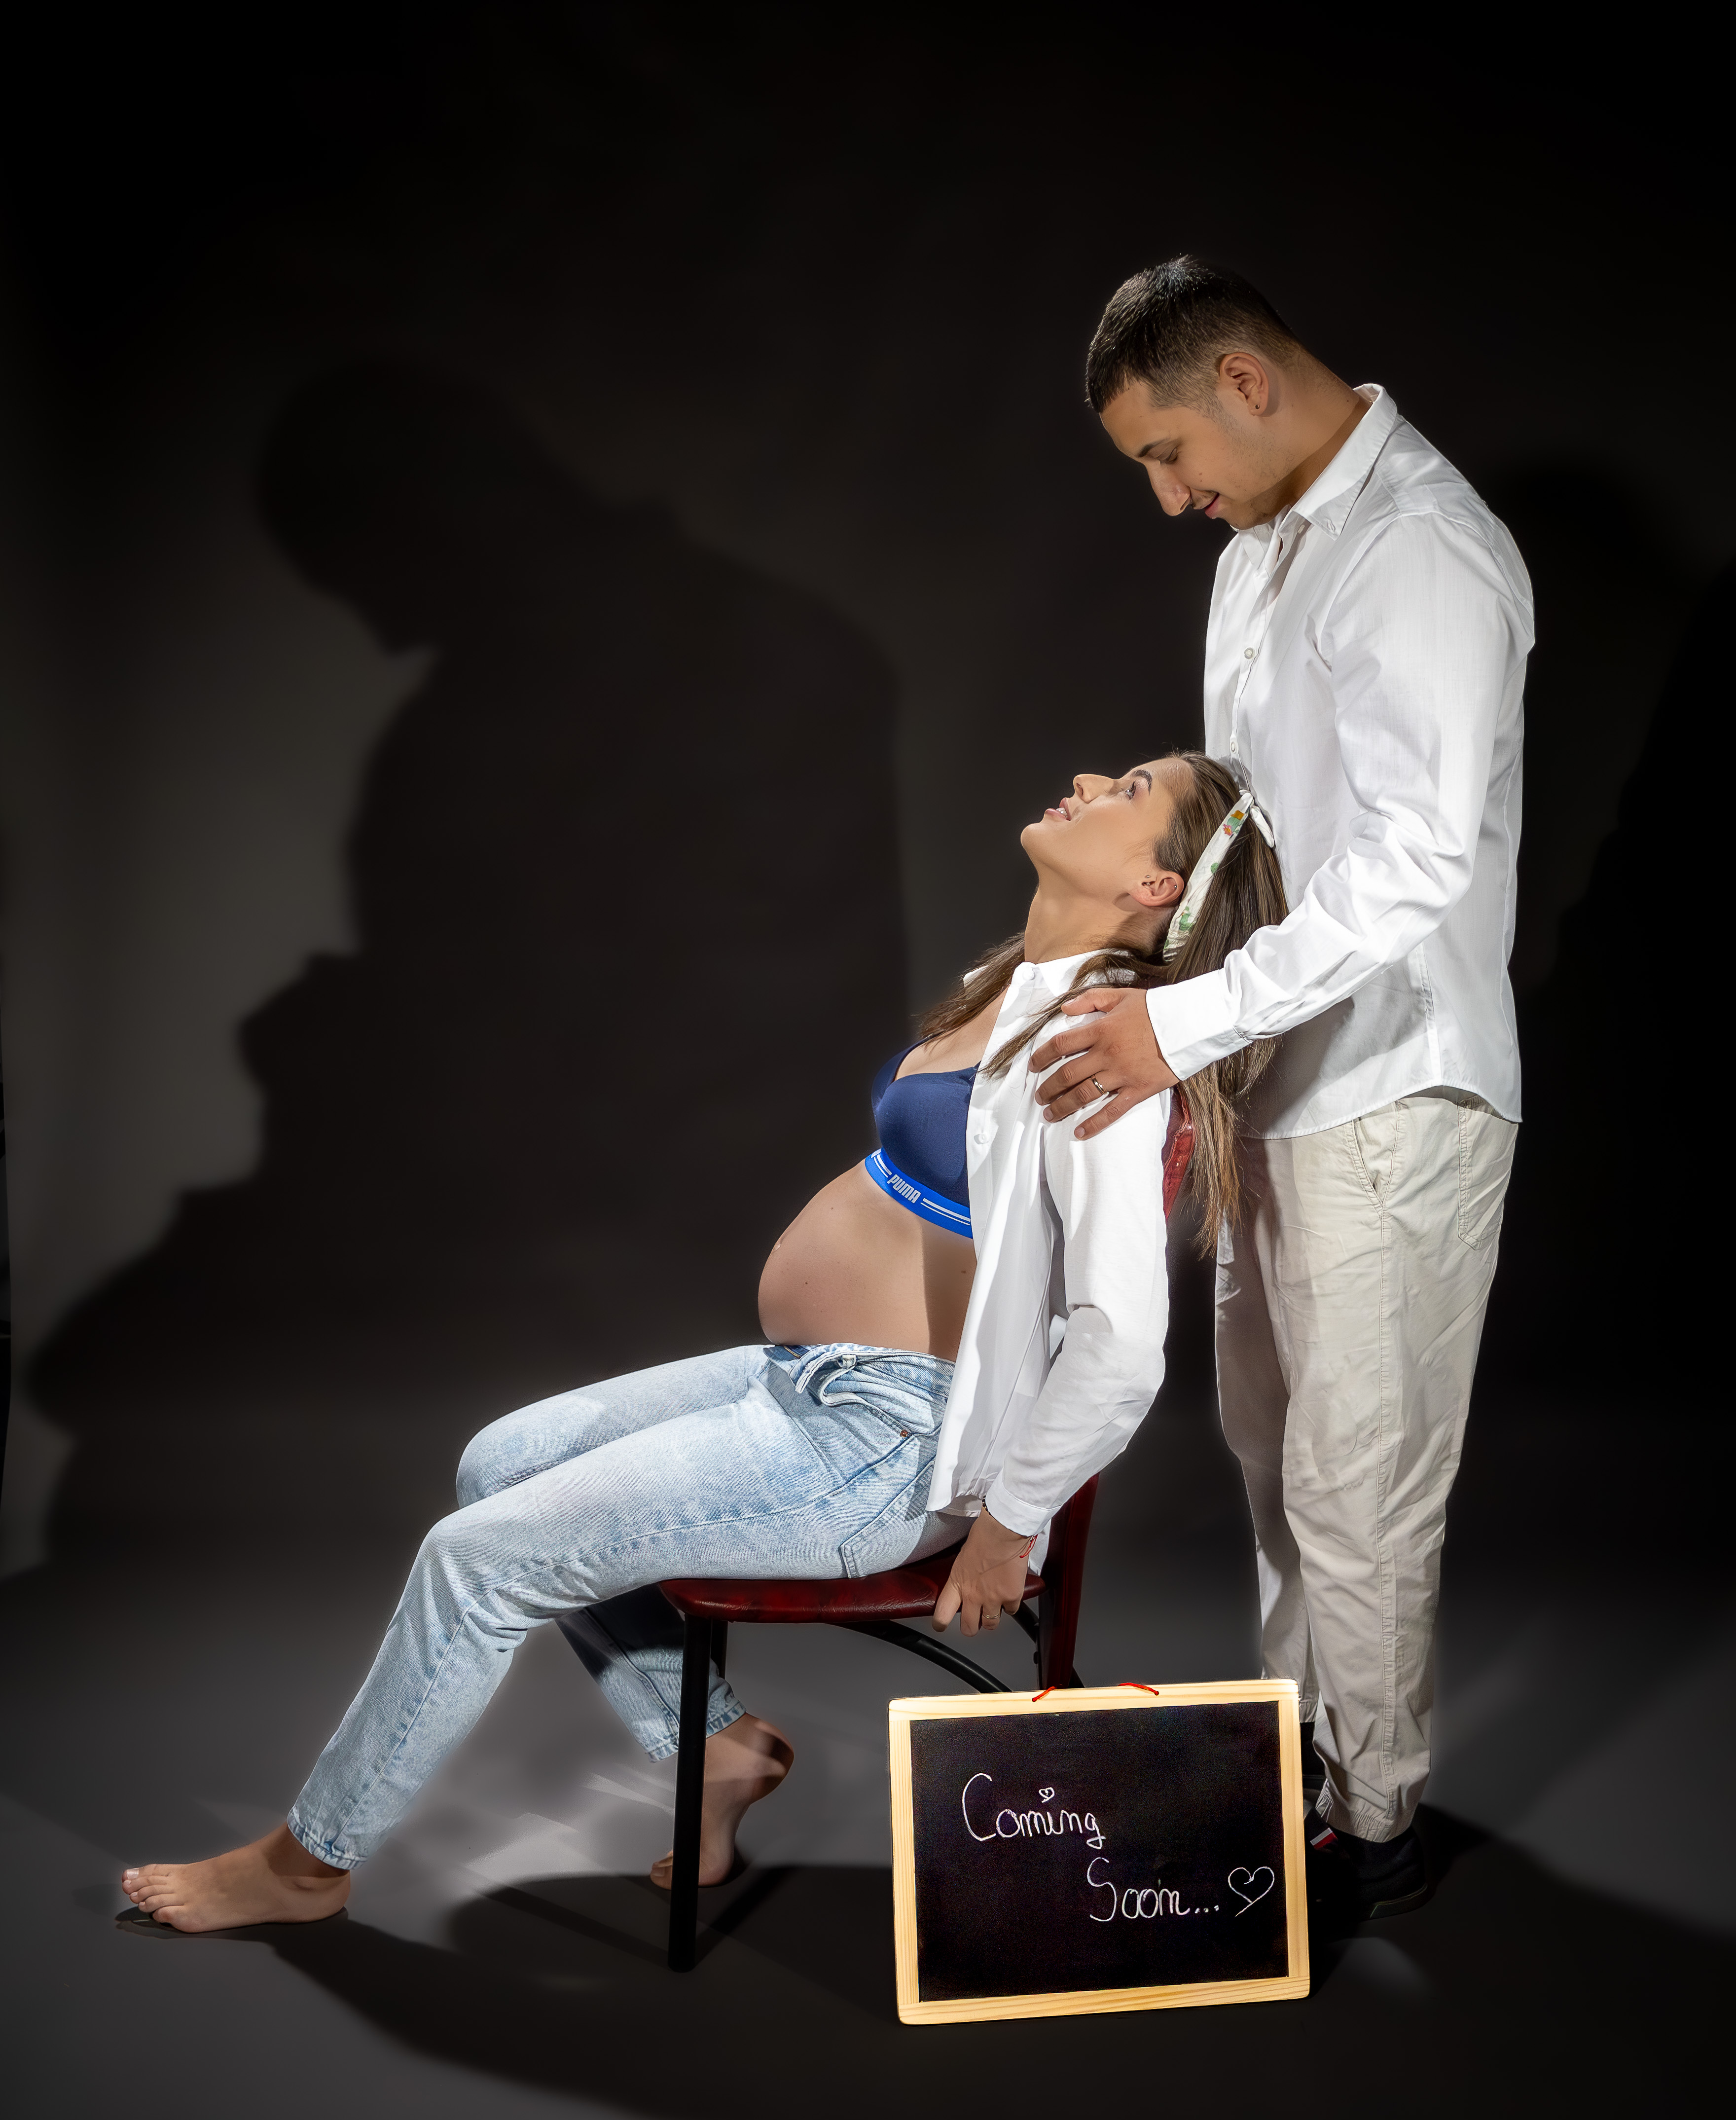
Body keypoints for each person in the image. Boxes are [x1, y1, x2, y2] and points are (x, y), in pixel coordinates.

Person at [122, 749, 1287, 1933]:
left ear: (1153, 887)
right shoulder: (1021, 982)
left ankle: (306, 1864)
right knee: (495, 1464)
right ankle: (717, 1749)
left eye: (1130, 790)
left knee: (473, 1560)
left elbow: (1121, 1344)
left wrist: (1009, 1524)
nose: (1089, 777)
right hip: (806, 1382)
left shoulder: (1099, 1047)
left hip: (886, 1443)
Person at [1030, 257, 1529, 1919]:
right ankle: (1296, 1766)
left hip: (1398, 1089)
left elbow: (1413, 864)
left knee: (1356, 1482)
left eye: (1168, 453)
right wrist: (1163, 993)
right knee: (1269, 1452)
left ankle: (1372, 1828)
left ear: (1243, 380)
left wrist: (1183, 1029)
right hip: (1273, 1080)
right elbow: (1251, 840)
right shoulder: (1258, 554)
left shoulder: (1420, 550)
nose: (1170, 499)